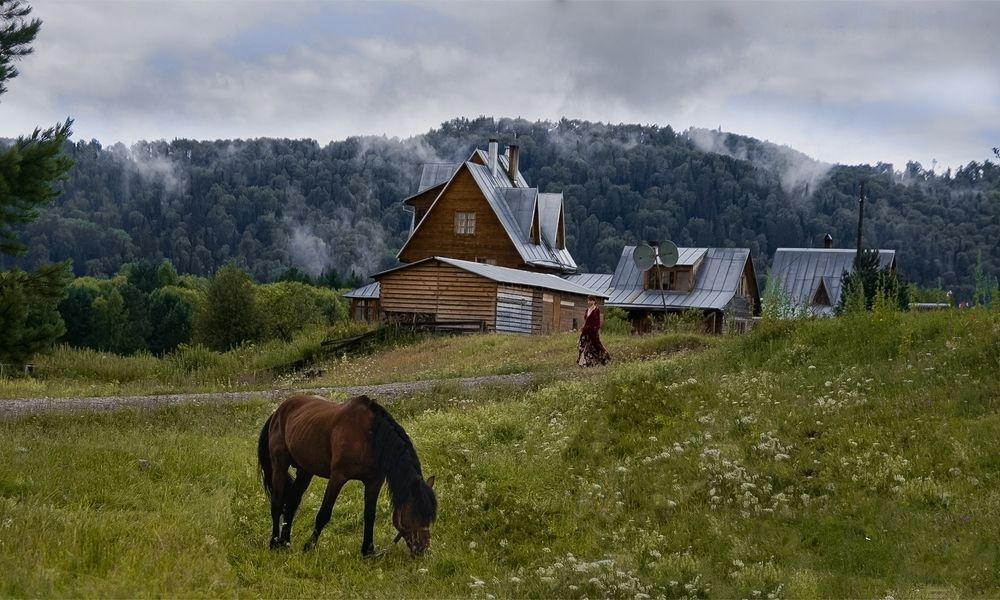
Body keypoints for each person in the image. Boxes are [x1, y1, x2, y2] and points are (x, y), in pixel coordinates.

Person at [578, 296, 611, 367]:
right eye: (588, 300)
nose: (589, 302)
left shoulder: (596, 310)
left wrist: (595, 330)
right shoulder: (587, 310)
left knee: (591, 347)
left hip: (592, 332)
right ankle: (582, 362)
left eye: (590, 300)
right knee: (582, 346)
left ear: (594, 301)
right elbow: (586, 321)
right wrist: (583, 328)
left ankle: (590, 363)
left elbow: (597, 322)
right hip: (585, 331)